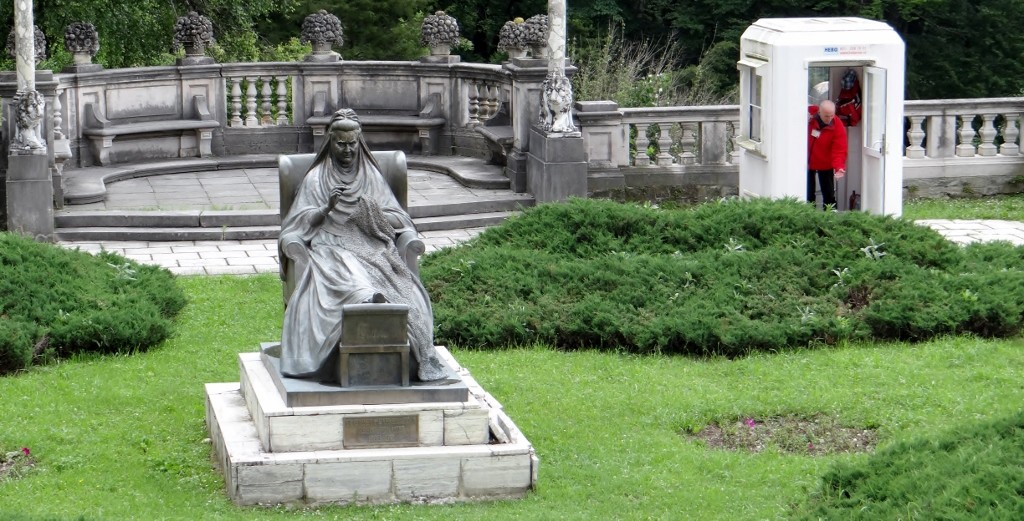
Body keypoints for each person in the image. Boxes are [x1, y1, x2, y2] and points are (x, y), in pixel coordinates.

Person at [278, 108, 447, 382]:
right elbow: (297, 224)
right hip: (330, 245)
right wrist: (326, 208)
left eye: (352, 144)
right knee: (350, 275)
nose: (347, 150)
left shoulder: (371, 177)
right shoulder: (316, 178)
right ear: (330, 143)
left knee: (409, 292)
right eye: (341, 144)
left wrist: (367, 208)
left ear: (360, 142)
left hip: (371, 244)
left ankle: (394, 325)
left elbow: (398, 218)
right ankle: (368, 299)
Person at [807, 100, 848, 209]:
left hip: (825, 163)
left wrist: (839, 167)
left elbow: (839, 150)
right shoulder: (808, 116)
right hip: (806, 163)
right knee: (807, 195)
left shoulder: (837, 126)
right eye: (826, 116)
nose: (829, 119)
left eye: (831, 116)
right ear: (819, 112)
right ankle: (808, 220)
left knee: (829, 197)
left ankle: (830, 221)